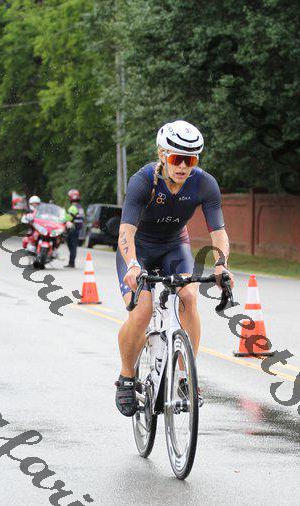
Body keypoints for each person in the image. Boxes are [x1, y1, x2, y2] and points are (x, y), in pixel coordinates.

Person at [115, 120, 234, 417]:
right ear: (162, 154)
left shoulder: (204, 183)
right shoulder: (143, 181)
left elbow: (218, 232)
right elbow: (126, 231)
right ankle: (126, 376)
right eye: (177, 158)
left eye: (190, 160)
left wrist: (222, 264)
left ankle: (184, 377)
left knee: (189, 297)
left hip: (174, 246)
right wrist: (132, 265)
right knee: (141, 312)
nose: (183, 166)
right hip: (139, 249)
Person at [64, 189, 85, 268]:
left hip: (72, 229)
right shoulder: (80, 208)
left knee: (71, 246)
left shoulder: (73, 207)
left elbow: (67, 218)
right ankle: (71, 262)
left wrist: (63, 214)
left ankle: (71, 263)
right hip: (77, 229)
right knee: (73, 246)